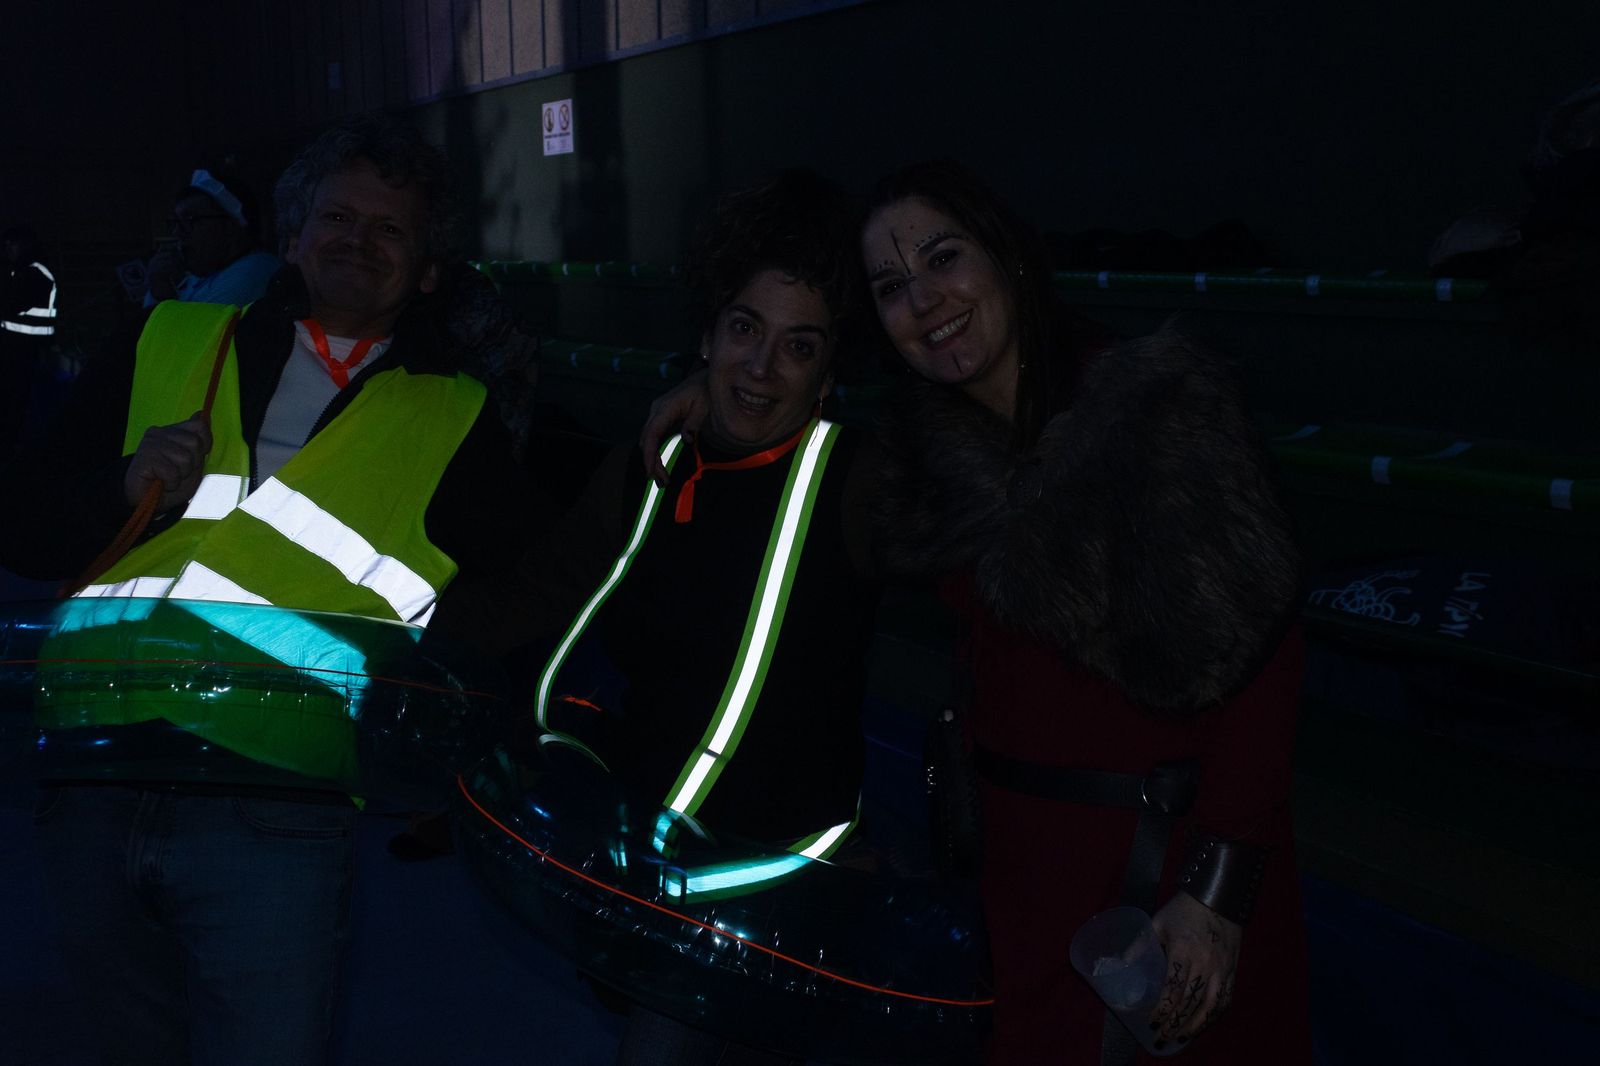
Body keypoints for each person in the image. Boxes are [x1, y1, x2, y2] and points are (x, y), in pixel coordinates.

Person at [642, 161, 1310, 1065]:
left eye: (944, 257)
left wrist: (1217, 895)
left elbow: (1264, 663)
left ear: (1007, 255)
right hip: (1023, 891)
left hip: (1159, 885)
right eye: (890, 287)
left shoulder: (1153, 408)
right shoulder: (927, 462)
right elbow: (795, 433)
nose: (925, 299)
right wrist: (708, 399)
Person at [0, 113, 529, 1066]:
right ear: (292, 234)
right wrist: (118, 486)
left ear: (430, 271)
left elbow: (515, 602)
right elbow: (23, 520)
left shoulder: (457, 417)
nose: (355, 242)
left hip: (274, 806)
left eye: (390, 230)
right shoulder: (169, 336)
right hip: (92, 769)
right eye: (336, 216)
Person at [432, 169, 879, 1065]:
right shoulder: (652, 460)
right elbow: (538, 591)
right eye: (745, 329)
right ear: (707, 330)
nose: (759, 367)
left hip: (774, 881)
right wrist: (401, 654)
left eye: (799, 348)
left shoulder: (859, 485)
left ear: (830, 371)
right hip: (642, 861)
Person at [144, 169, 280, 307]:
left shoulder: (250, 274)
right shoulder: (203, 275)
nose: (177, 232)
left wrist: (163, 296)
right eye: (177, 222)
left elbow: (188, 328)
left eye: (190, 220)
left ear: (231, 226)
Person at [1, 224, 57, 455]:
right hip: (17, 349)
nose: (8, 249)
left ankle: (15, 447)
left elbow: (11, 304)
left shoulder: (35, 274)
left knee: (20, 401)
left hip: (27, 351)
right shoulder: (21, 272)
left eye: (12, 244)